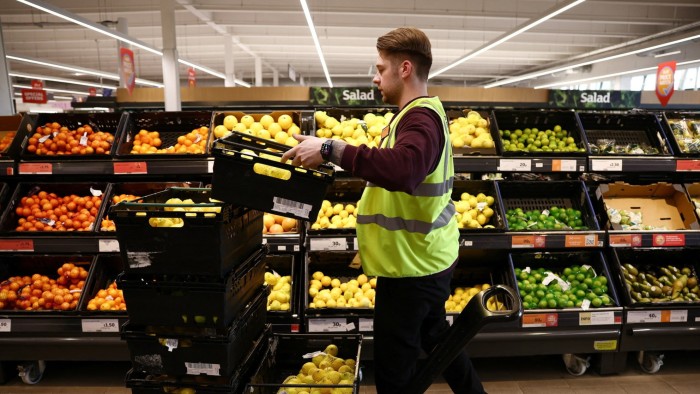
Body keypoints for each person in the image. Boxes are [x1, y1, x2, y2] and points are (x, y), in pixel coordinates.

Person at [281, 27, 486, 394]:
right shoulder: (417, 115)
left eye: (380, 69)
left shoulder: (420, 120)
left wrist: (331, 148)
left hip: (412, 268)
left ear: (404, 68)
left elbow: (404, 170)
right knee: (439, 341)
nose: (375, 78)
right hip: (422, 256)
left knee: (393, 375)